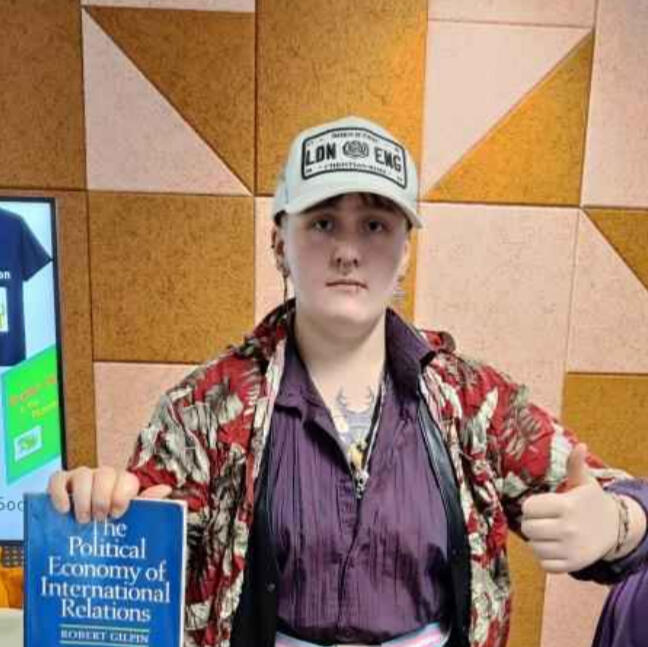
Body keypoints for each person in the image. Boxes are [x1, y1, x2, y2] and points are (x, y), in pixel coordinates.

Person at [48, 116, 648, 647]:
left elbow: (614, 498)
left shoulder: (473, 402)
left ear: (405, 250)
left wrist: (617, 525)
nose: (348, 251)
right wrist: (99, 513)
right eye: (323, 222)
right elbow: (141, 567)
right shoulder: (205, 409)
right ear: (279, 240)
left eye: (375, 225)